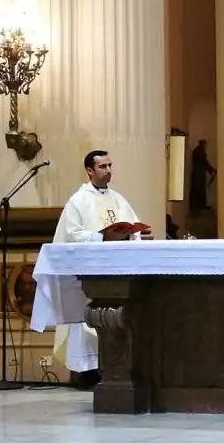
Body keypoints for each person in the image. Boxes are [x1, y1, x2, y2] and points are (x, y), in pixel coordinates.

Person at [52, 150, 142, 390]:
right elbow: (71, 235)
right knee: (86, 319)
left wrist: (129, 233)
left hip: (118, 270)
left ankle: (117, 368)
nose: (109, 170)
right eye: (103, 166)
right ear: (89, 171)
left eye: (110, 165)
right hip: (90, 273)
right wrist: (101, 237)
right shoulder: (78, 201)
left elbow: (135, 229)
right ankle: (87, 372)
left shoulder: (118, 199)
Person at [189, 140, 217, 209]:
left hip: (197, 173)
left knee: (197, 189)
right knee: (200, 189)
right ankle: (200, 205)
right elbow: (204, 162)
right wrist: (212, 170)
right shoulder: (200, 151)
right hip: (199, 173)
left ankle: (196, 204)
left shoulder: (197, 151)